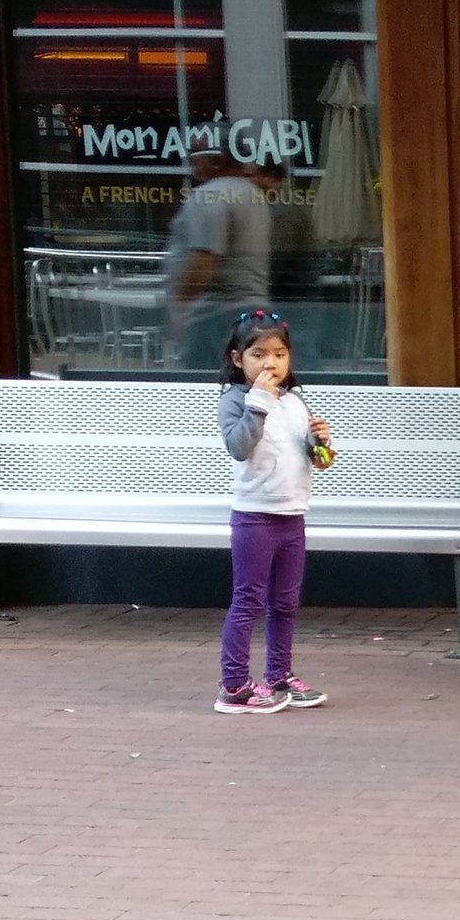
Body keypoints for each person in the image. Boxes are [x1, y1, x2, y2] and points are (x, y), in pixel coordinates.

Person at [213, 308, 333, 714]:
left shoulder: (296, 401)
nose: (271, 363)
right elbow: (240, 447)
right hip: (254, 517)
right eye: (259, 354)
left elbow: (318, 461)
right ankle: (234, 686)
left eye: (280, 354)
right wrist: (259, 402)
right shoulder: (237, 400)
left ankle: (279, 675)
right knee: (248, 601)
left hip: (292, 515)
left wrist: (322, 443)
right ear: (237, 360)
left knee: (286, 602)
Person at [165, 150, 274, 367]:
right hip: (251, 308)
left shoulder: (210, 195)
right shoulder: (251, 194)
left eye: (197, 154)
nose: (191, 159)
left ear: (217, 160)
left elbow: (203, 260)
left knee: (200, 388)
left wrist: (180, 308)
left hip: (214, 314)